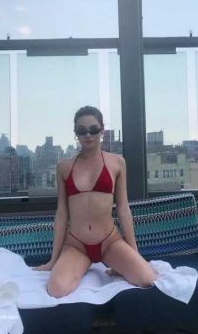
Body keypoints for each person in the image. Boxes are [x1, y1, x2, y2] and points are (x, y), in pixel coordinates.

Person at [34, 106, 157, 298]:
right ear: (76, 133)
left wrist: (134, 252)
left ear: (102, 130)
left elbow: (123, 209)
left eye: (93, 129)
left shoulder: (117, 162)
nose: (88, 135)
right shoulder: (64, 167)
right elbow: (62, 214)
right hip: (76, 244)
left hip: (110, 241)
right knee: (56, 290)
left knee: (147, 279)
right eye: (81, 131)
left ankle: (117, 266)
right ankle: (81, 265)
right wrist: (53, 259)